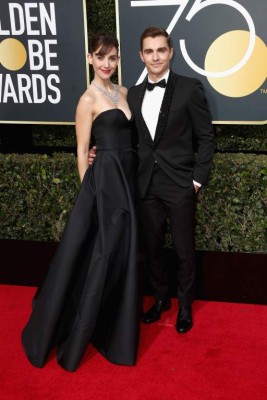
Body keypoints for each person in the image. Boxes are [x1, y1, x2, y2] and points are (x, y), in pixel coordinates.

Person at [21, 33, 139, 372]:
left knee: (121, 250)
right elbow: (81, 149)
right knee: (103, 251)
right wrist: (91, 192)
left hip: (127, 178)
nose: (106, 63)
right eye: (101, 57)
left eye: (112, 58)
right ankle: (89, 323)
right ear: (90, 58)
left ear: (118, 60)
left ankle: (114, 315)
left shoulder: (124, 93)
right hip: (105, 183)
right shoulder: (87, 100)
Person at [90, 26, 214, 334]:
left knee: (185, 249)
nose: (155, 56)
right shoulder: (132, 93)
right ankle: (160, 300)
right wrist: (98, 151)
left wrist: (197, 180)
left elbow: (207, 138)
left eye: (161, 50)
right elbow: (130, 139)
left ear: (170, 52)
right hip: (145, 184)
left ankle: (185, 306)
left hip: (181, 183)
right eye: (149, 51)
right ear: (140, 55)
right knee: (153, 248)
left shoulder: (190, 88)